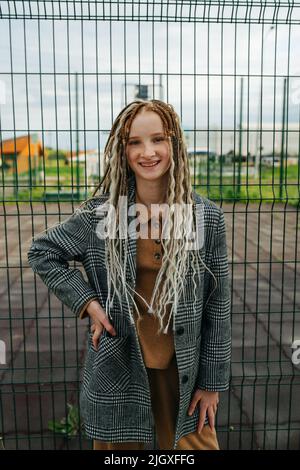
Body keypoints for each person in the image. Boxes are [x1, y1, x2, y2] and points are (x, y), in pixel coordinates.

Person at [28, 99, 231, 450]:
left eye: (158, 139)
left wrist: (211, 382)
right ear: (122, 151)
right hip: (118, 369)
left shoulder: (205, 217)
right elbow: (43, 252)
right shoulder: (103, 215)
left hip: (182, 372)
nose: (147, 152)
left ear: (174, 145)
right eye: (135, 142)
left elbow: (218, 306)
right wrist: (89, 303)